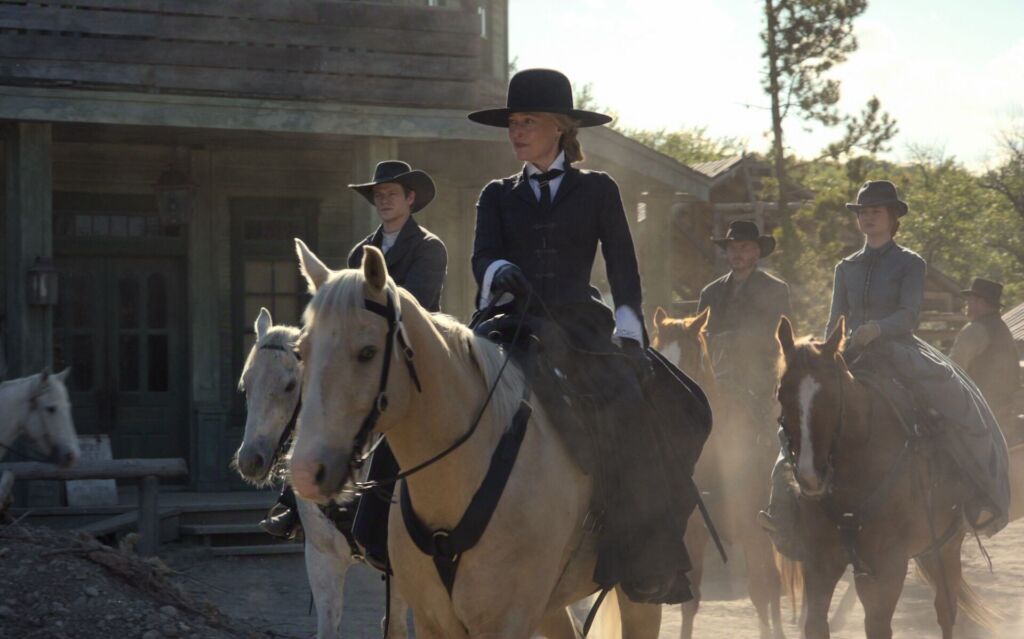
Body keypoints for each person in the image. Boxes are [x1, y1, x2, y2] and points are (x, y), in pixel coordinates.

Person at [468, 68, 709, 604]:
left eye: (527, 121)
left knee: (633, 408)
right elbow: (480, 256)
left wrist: (629, 328)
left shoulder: (598, 189)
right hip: (511, 322)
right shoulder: (495, 195)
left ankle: (645, 551)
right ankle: (373, 519)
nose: (515, 131)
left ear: (558, 127)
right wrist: (498, 269)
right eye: (511, 122)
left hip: (580, 323)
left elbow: (623, 265)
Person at [758, 180, 1011, 553]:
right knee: (800, 411)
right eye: (863, 212)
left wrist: (877, 328)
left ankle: (979, 495)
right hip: (847, 354)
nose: (868, 217)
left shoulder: (910, 263)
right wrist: (827, 349)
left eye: (876, 211)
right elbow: (834, 320)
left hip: (898, 350)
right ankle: (783, 507)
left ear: (893, 218)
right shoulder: (845, 267)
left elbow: (908, 316)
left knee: (955, 398)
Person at [261, 161, 448, 563]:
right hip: (360, 354)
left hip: (408, 353)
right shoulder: (359, 250)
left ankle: (378, 520)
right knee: (314, 398)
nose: (383, 200)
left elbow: (417, 306)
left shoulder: (429, 247)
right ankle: (292, 502)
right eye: (378, 195)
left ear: (410, 199)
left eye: (391, 194)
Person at [698, 219, 790, 411]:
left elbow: (783, 338)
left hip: (761, 375)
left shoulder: (775, 290)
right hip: (718, 373)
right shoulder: (710, 292)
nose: (737, 253)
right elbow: (700, 337)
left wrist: (737, 339)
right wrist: (714, 341)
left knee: (770, 424)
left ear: (756, 253)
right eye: (732, 248)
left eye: (744, 247)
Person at [950, 277, 1020, 437]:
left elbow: (952, 370)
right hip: (1003, 410)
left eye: (970, 300)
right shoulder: (1002, 328)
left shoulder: (975, 330)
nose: (967, 304)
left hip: (977, 411)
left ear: (980, 302)